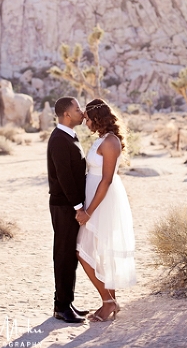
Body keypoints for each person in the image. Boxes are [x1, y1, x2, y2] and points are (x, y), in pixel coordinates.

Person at [75, 98, 137, 321]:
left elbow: (107, 180)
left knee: (82, 251)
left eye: (88, 119)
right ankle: (110, 301)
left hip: (103, 200)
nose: (86, 123)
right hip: (93, 197)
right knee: (99, 250)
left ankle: (108, 301)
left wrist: (89, 211)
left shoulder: (110, 142)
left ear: (97, 119)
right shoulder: (102, 138)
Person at [47, 97, 89, 323]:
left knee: (69, 255)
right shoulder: (59, 140)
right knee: (63, 255)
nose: (82, 112)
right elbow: (64, 178)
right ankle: (61, 307)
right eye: (77, 109)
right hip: (64, 206)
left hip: (68, 205)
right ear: (67, 115)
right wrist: (78, 207)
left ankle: (66, 303)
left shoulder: (68, 136)